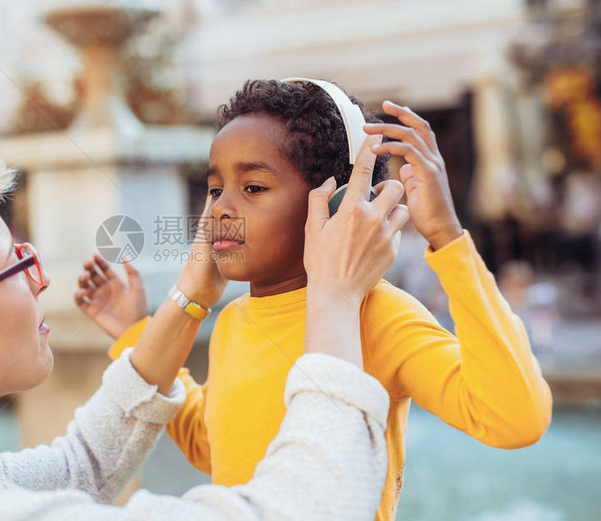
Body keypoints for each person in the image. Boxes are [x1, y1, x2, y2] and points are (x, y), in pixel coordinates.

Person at [0, 120, 407, 520]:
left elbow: (84, 460)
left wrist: (187, 297)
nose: (41, 279)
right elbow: (311, 509)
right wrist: (333, 295)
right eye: (15, 262)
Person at [75, 79, 553, 521]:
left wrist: (447, 239)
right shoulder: (234, 321)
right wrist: (137, 331)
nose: (220, 207)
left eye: (253, 187)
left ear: (340, 202)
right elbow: (212, 443)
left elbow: (514, 418)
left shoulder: (378, 315)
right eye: (216, 188)